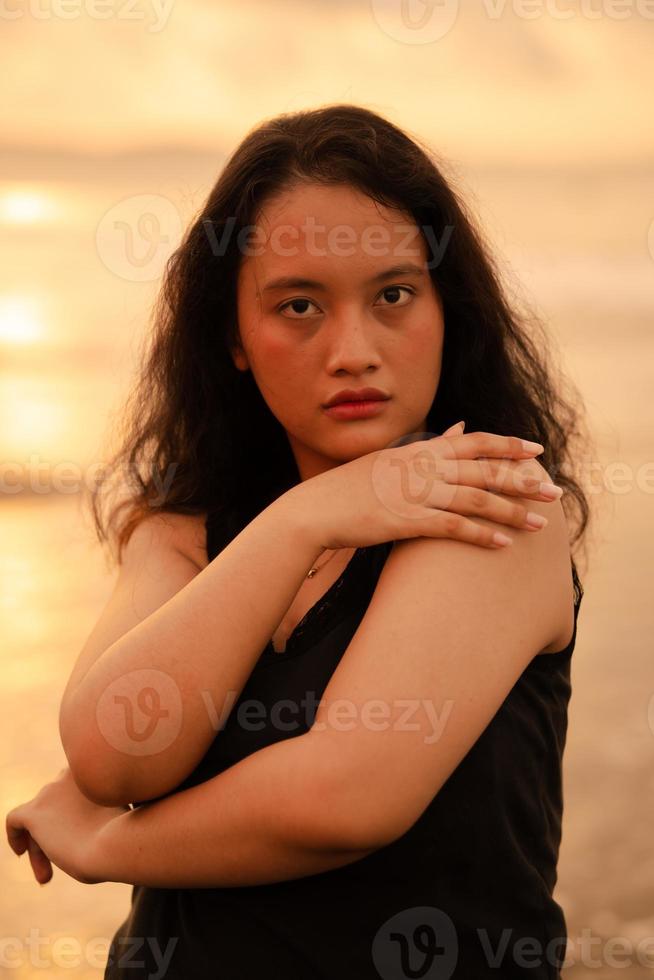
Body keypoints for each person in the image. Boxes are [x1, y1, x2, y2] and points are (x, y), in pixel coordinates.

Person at [7, 104, 592, 978]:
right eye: (298, 306)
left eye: (393, 294)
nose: (352, 350)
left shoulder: (500, 506)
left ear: (448, 307)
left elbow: (344, 798)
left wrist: (107, 846)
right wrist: (303, 518)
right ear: (233, 340)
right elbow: (111, 752)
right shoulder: (185, 528)